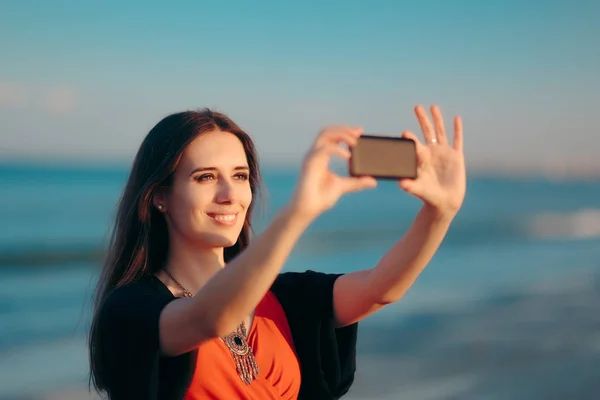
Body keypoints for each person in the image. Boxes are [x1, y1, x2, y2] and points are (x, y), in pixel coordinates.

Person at [88, 105, 466, 400]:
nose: (229, 194)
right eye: (205, 177)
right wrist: (299, 212)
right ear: (159, 197)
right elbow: (210, 318)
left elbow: (380, 288)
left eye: (239, 176)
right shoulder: (129, 310)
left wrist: (440, 212)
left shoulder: (284, 298)